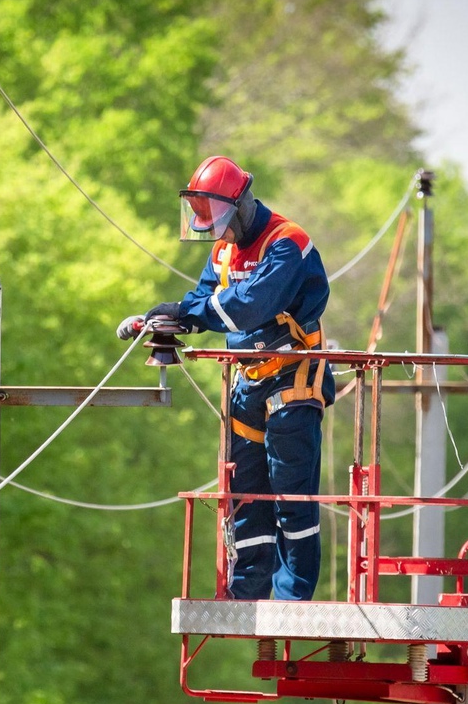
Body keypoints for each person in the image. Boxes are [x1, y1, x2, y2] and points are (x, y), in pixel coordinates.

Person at [117, 156, 334, 601]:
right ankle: (248, 589)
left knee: (291, 494)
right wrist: (157, 321)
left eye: (219, 222)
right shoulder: (223, 250)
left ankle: (293, 598)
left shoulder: (286, 243)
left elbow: (249, 305)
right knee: (246, 492)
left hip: (293, 380)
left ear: (241, 205)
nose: (216, 234)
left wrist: (188, 314)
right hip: (248, 384)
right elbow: (200, 299)